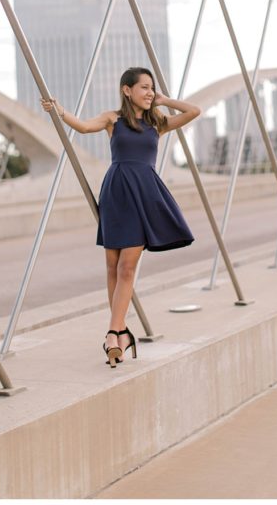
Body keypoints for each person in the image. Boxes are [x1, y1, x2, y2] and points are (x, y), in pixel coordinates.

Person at [41, 67, 201, 367]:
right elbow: (85, 127)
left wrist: (164, 98)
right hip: (117, 192)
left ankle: (114, 332)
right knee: (112, 265)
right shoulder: (112, 119)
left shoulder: (158, 123)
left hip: (145, 194)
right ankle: (120, 331)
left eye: (151, 88)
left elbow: (194, 111)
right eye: (144, 87)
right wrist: (61, 112)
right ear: (127, 90)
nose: (149, 92)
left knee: (128, 266)